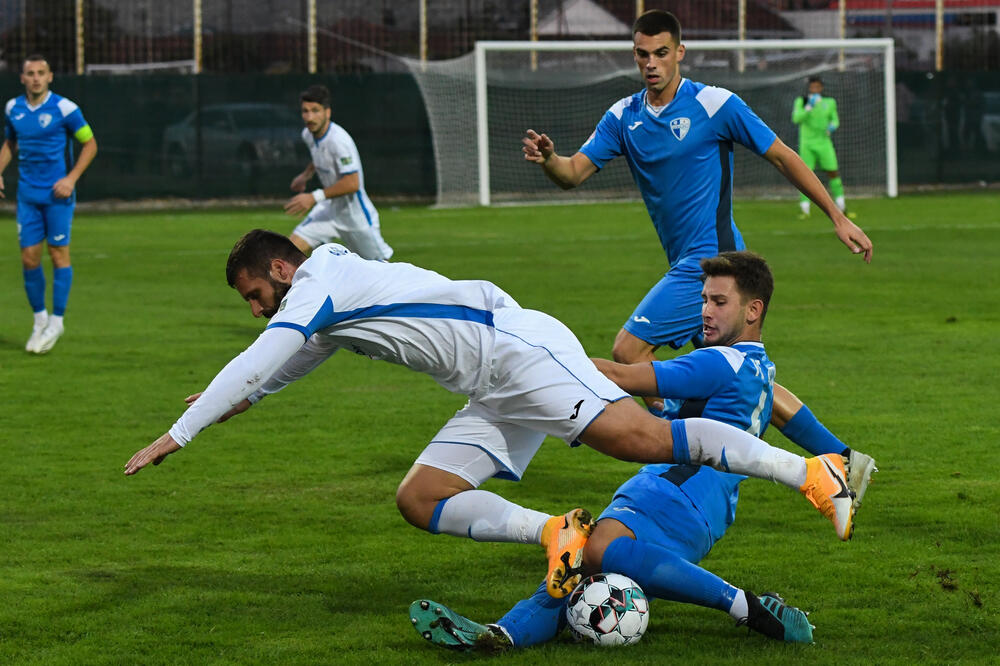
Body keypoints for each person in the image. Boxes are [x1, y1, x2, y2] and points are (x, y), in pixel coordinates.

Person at [124, 231, 856, 601]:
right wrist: (240, 402)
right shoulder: (326, 296)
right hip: (493, 381)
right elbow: (295, 355)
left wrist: (180, 432)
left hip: (517, 350)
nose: (256, 311)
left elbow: (270, 347)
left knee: (641, 439)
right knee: (419, 497)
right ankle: (556, 533)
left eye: (255, 295)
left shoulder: (321, 279)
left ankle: (812, 473)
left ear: (282, 270)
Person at [521, 10, 875, 505]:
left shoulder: (715, 104)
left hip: (710, 262)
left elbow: (781, 155)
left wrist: (837, 217)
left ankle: (676, 442)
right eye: (642, 54)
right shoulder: (624, 117)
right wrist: (550, 160)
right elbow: (574, 172)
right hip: (692, 265)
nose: (651, 63)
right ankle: (845, 463)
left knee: (628, 350)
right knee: (748, 379)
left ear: (680, 53)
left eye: (661, 53)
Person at [407, 252, 825, 652]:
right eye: (703, 300)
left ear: (753, 310)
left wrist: (545, 363)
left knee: (591, 549)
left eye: (719, 301)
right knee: (577, 570)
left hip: (675, 489)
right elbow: (708, 417)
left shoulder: (720, 362)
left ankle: (746, 608)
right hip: (706, 507)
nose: (706, 311)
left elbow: (618, 374)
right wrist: (838, 452)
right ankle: (502, 635)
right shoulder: (760, 368)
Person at [0, 54, 97, 354]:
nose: (36, 78)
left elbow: (90, 144)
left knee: (57, 255)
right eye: (30, 73)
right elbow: (10, 142)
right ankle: (39, 319)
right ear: (23, 77)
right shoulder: (13, 109)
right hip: (28, 195)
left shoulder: (65, 109)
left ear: (50, 76)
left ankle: (57, 321)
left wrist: (71, 178)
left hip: (58, 196)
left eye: (41, 73)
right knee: (29, 258)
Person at [283, 84, 392, 260]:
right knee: (288, 253)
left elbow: (352, 183)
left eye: (315, 111)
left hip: (354, 215)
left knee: (381, 269)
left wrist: (313, 197)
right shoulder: (308, 134)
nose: (309, 117)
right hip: (329, 208)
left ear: (327, 112)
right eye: (305, 111)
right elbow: (319, 156)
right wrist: (306, 175)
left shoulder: (339, 141)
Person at [792, 75, 848, 217]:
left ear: (821, 88)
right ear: (809, 88)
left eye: (817, 86)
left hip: (824, 142)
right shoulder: (802, 101)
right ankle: (804, 208)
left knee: (833, 171)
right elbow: (796, 118)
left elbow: (835, 120)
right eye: (812, 87)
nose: (815, 89)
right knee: (805, 174)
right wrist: (809, 107)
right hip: (807, 144)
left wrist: (832, 127)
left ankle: (841, 204)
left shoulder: (829, 102)